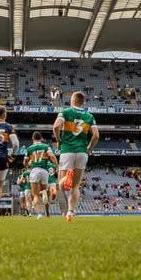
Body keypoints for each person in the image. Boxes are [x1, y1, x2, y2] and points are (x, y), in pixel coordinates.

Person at [53, 91, 99, 222]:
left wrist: (58, 140)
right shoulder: (89, 116)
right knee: (75, 186)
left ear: (72, 100)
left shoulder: (65, 112)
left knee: (62, 186)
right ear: (83, 102)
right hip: (81, 151)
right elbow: (96, 136)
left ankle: (68, 176)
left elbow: (56, 126)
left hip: (67, 150)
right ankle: (70, 212)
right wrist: (89, 148)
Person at [25, 131, 58, 219]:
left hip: (35, 170)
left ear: (33, 138)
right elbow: (52, 157)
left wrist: (27, 165)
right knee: (45, 193)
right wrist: (57, 166)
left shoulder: (29, 148)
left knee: (35, 195)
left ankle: (39, 213)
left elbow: (25, 162)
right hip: (44, 171)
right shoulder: (46, 146)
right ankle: (47, 213)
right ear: (41, 138)